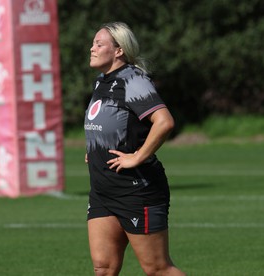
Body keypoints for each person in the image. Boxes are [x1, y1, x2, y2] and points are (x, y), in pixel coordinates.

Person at [84, 22, 186, 276]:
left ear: (118, 50)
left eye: (99, 44)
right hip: (103, 190)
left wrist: (138, 156)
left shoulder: (133, 80)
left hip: (136, 190)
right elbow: (113, 124)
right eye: (93, 43)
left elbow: (164, 122)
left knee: (157, 269)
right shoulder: (102, 82)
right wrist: (95, 150)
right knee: (103, 268)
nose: (92, 49)